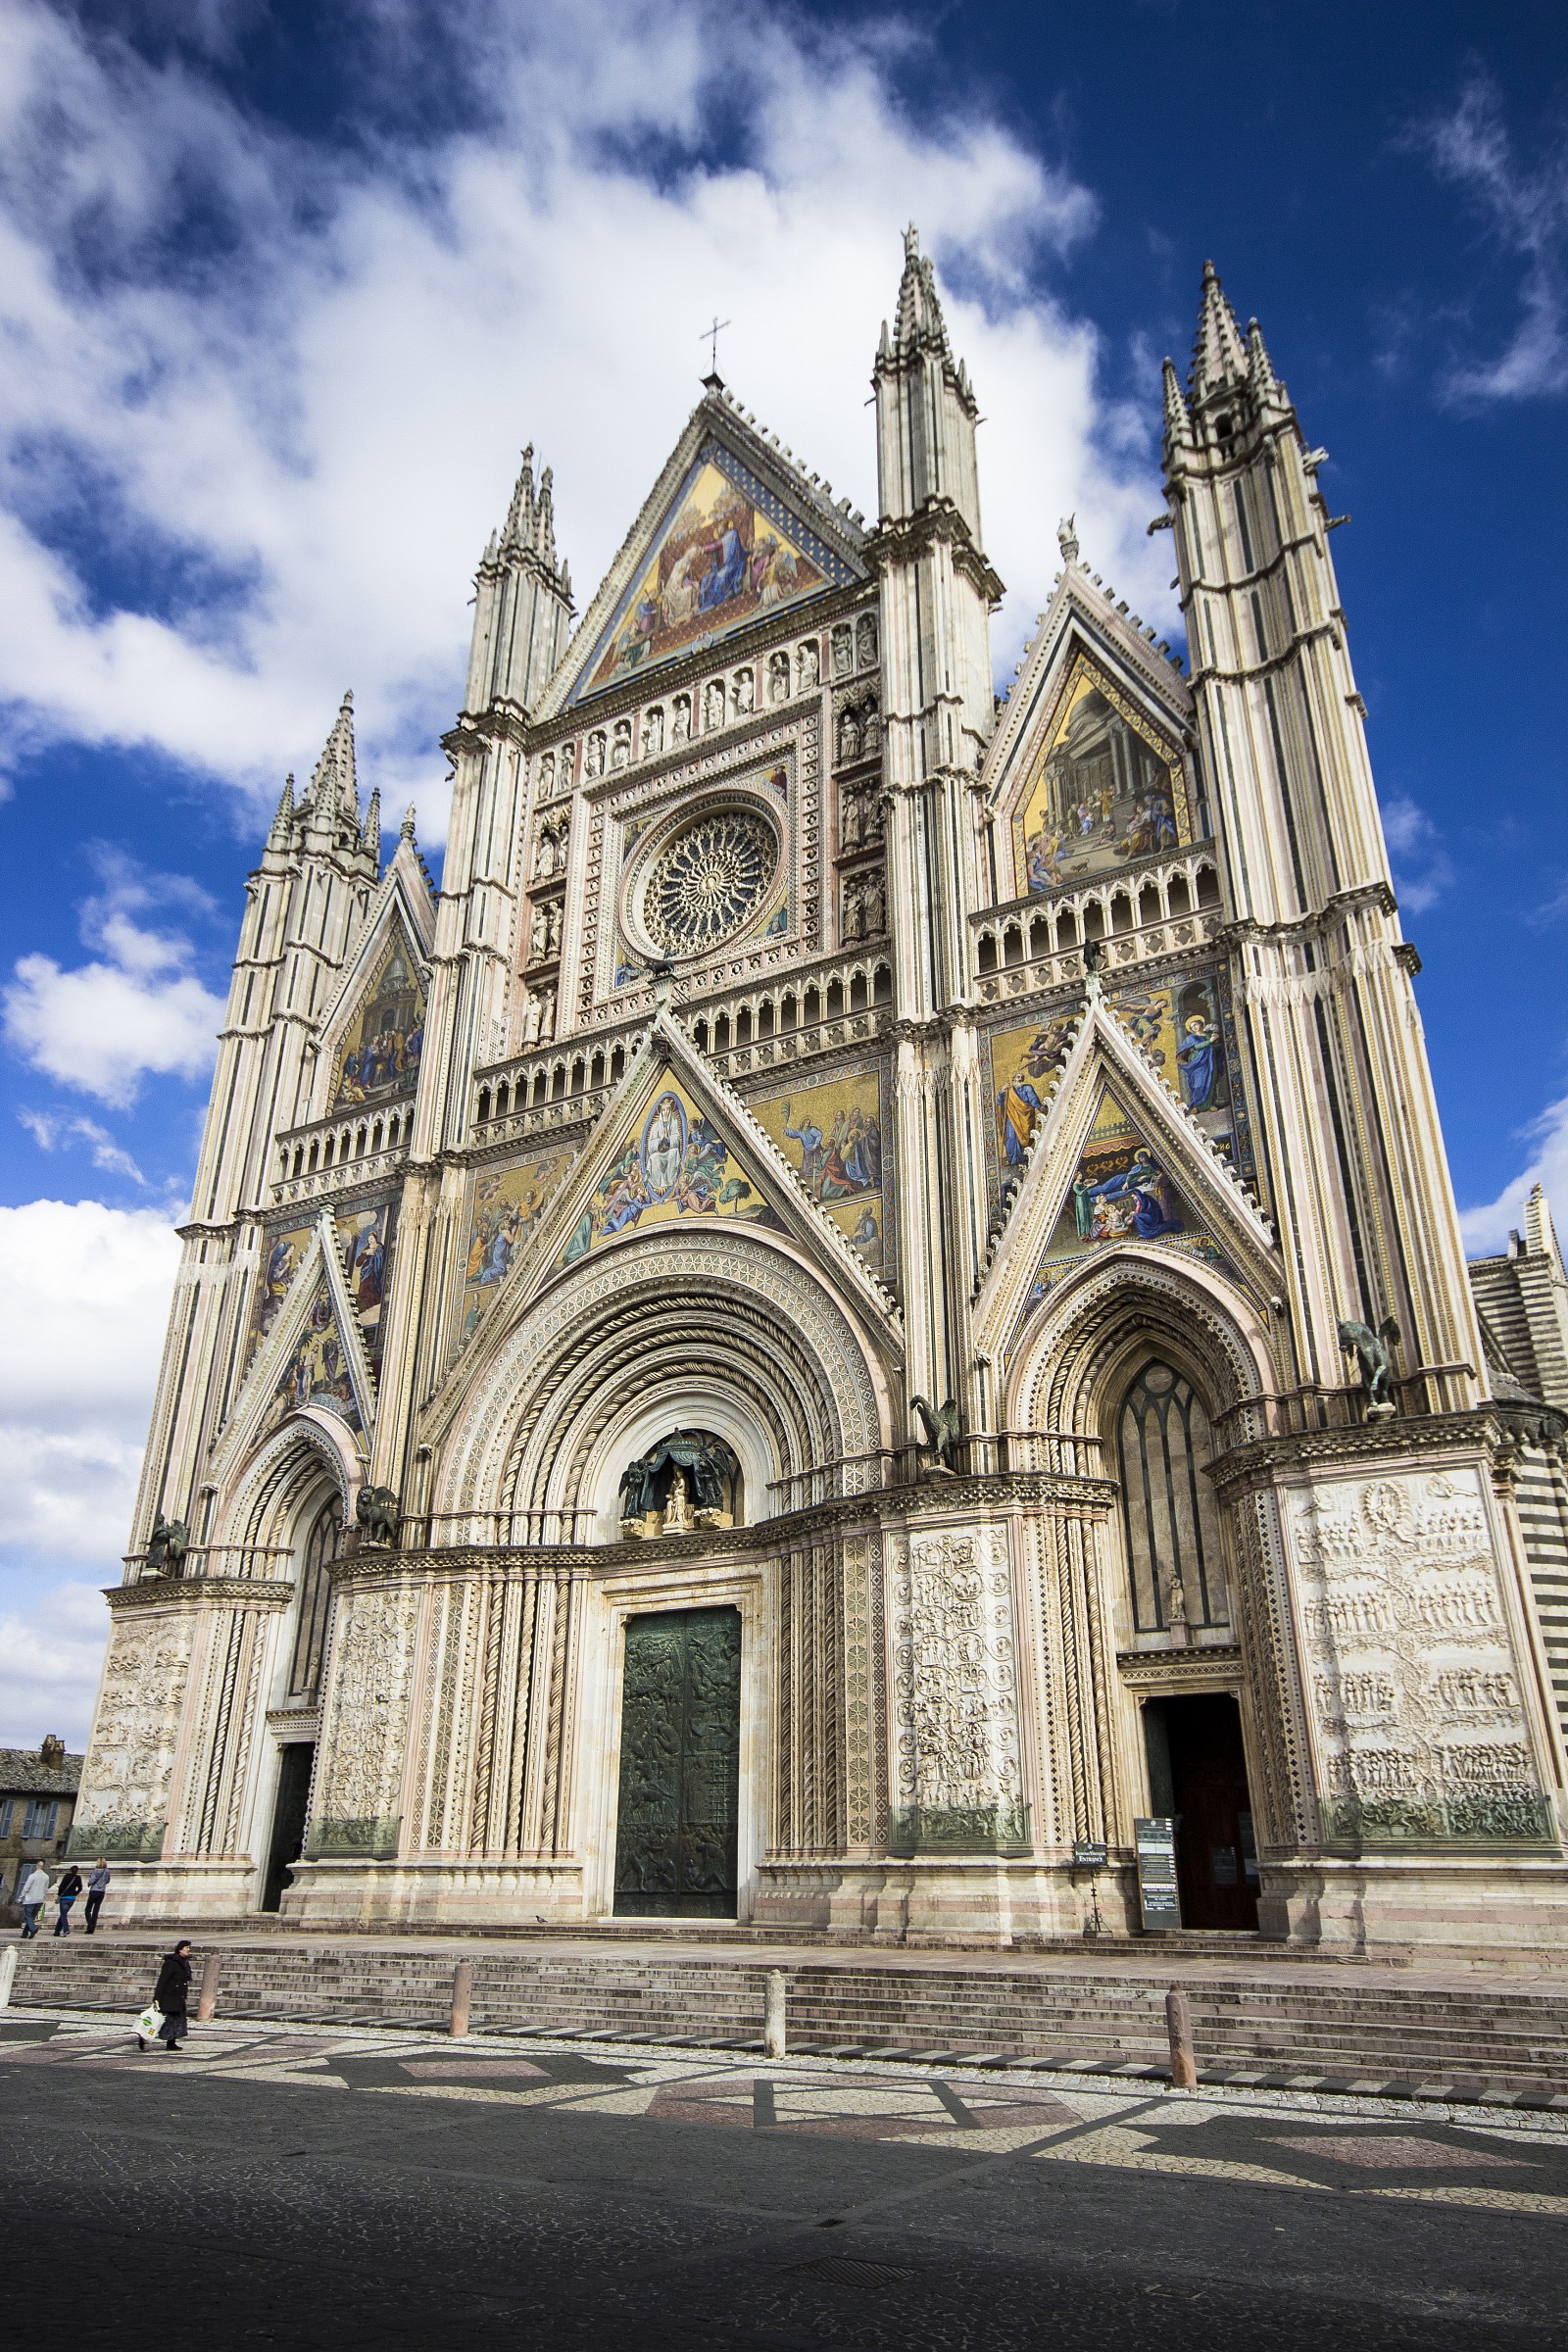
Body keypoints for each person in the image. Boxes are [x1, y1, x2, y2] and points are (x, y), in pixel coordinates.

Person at [141, 1941, 194, 2053]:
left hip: (179, 1996)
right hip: (169, 1996)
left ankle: (171, 2043)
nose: (188, 1950)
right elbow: (163, 1980)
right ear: (180, 1949)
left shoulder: (184, 1962)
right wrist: (157, 1998)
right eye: (186, 1948)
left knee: (176, 2021)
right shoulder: (171, 1962)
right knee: (163, 2021)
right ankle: (143, 2036)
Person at [18, 1861, 49, 1938]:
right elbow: (45, 1889)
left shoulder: (32, 1876)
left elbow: (26, 1888)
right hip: (40, 1900)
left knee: (27, 1916)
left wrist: (21, 1898)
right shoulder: (46, 1877)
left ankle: (33, 1928)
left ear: (36, 1866)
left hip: (30, 1899)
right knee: (31, 1917)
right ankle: (25, 1934)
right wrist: (44, 1899)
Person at [54, 1864, 82, 1936]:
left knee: (63, 1915)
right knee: (63, 1914)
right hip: (72, 1898)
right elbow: (80, 1888)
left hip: (64, 1898)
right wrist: (74, 1894)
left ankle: (66, 1929)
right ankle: (57, 1931)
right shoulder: (78, 1878)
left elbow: (61, 1887)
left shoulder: (67, 1876)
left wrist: (59, 1894)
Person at [84, 1859, 111, 1935]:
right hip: (101, 1891)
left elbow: (92, 1880)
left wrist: (89, 1883)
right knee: (96, 1910)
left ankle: (90, 1925)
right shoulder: (107, 1871)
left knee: (88, 1909)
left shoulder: (95, 1870)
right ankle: (92, 1927)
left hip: (94, 1891)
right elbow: (107, 1880)